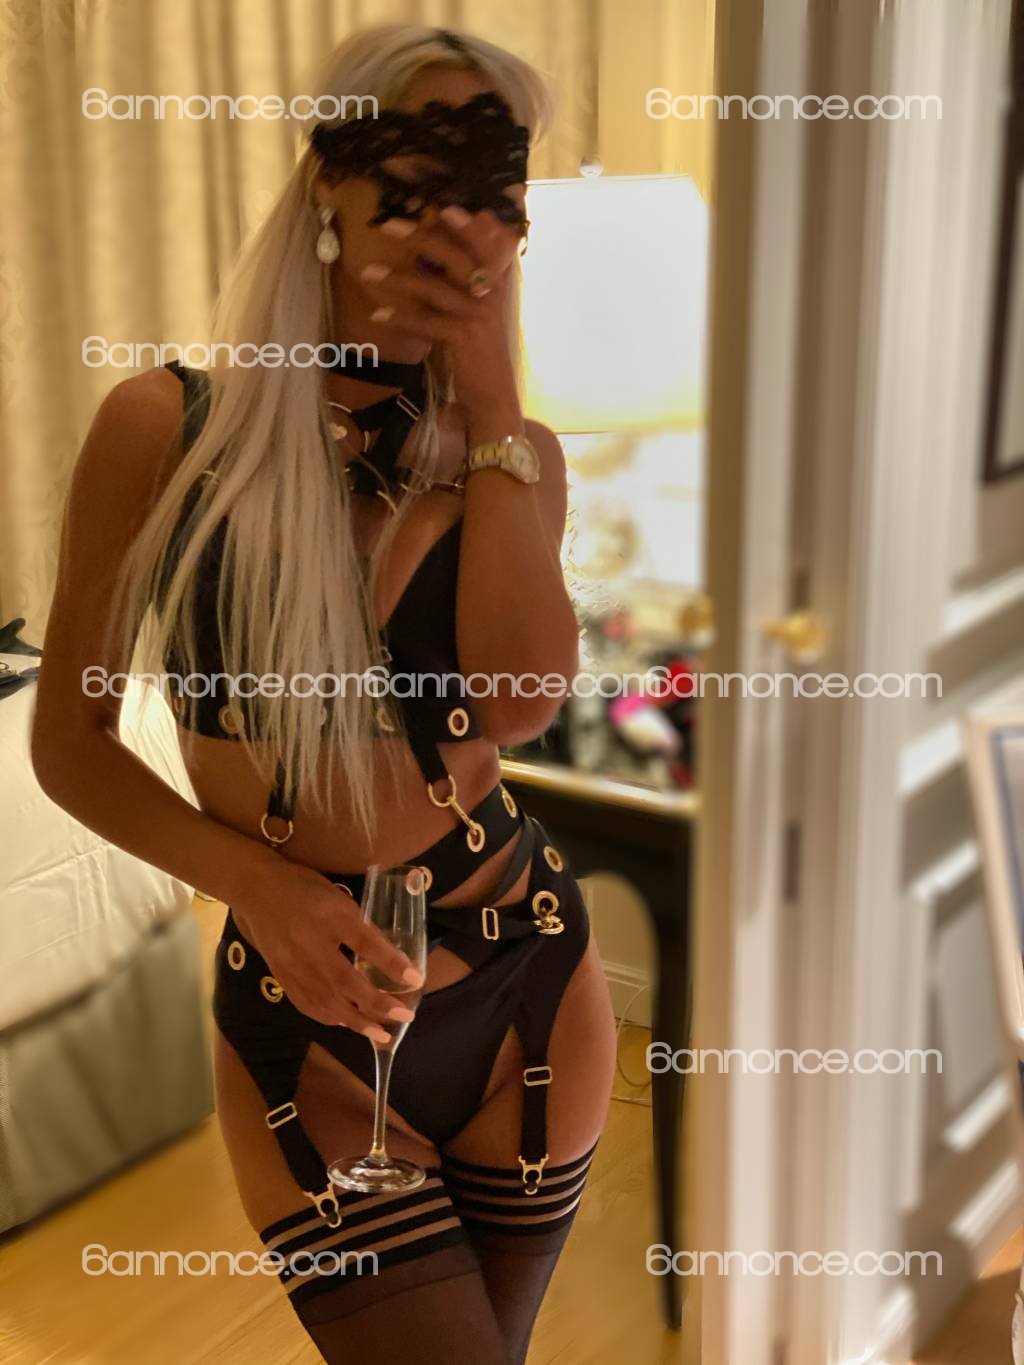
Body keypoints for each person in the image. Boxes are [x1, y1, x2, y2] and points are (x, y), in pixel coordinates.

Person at [31, 22, 618, 1364]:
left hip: (523, 966)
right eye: (415, 181)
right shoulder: (167, 432)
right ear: (327, 195)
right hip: (306, 1008)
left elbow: (522, 702)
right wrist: (257, 883)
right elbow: (71, 742)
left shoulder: (510, 456)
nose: (456, 228)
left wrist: (493, 407)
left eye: (493, 192)